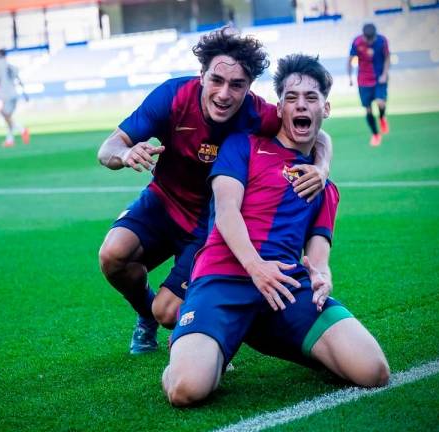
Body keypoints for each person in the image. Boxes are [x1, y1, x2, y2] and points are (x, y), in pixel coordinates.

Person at [163, 54, 389, 406]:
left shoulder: (325, 188)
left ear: (324, 109)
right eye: (292, 98)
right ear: (279, 108)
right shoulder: (244, 145)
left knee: (372, 371)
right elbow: (225, 213)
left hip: (284, 287)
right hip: (223, 278)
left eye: (311, 98)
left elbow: (318, 253)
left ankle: (255, 333)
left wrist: (322, 276)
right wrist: (256, 268)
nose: (302, 105)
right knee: (186, 389)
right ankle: (200, 338)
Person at [97, 27, 333, 355]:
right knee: (112, 256)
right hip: (163, 200)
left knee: (167, 312)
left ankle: (214, 330)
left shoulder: (257, 113)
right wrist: (123, 154)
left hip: (207, 224)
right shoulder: (173, 97)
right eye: (216, 80)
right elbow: (107, 148)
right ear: (202, 76)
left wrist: (321, 169)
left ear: (249, 87)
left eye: (237, 85)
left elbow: (316, 132)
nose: (224, 94)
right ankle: (143, 315)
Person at [348, 23, 390, 147]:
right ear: (364, 36)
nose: (370, 41)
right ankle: (375, 134)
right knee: (368, 109)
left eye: (372, 39)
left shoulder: (382, 41)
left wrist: (384, 74)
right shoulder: (357, 42)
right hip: (363, 80)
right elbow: (350, 60)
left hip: (379, 78)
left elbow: (387, 58)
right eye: (368, 39)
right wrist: (350, 77)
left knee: (380, 102)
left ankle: (382, 118)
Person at [0, 48, 30, 147]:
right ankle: (10, 140)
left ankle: (22, 130)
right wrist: (25, 94)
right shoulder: (12, 66)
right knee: (8, 119)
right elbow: (19, 80)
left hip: (6, 95)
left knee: (5, 116)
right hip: (14, 94)